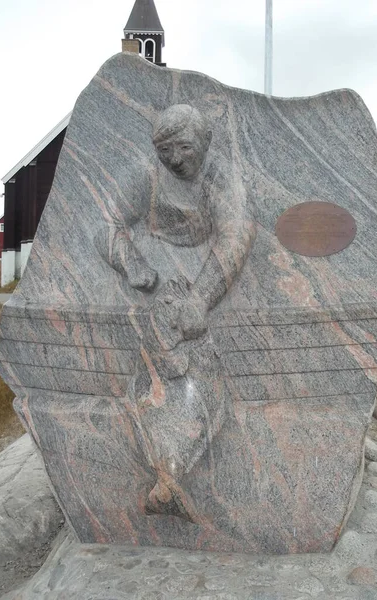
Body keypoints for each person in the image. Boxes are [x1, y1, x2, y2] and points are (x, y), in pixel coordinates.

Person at [97, 104, 256, 521]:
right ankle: (165, 475)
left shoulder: (221, 178)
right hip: (157, 285)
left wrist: (201, 298)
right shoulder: (146, 174)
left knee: (201, 379)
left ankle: (171, 476)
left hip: (200, 285)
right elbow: (105, 222)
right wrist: (132, 264)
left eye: (184, 147)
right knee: (153, 378)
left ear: (203, 142)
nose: (176, 159)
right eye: (166, 150)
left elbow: (237, 234)